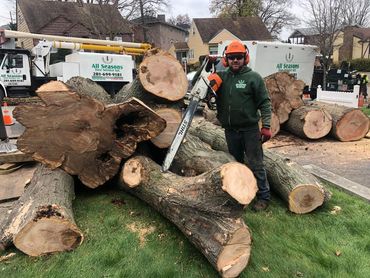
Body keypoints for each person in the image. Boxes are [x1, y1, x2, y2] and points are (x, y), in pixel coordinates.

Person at [208, 40, 272, 211]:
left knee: (256, 163)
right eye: (231, 58)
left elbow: (265, 103)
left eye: (238, 57)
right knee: (235, 164)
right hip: (231, 130)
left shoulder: (253, 78)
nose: (235, 61)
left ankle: (263, 197)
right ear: (226, 60)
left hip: (249, 129)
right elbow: (207, 89)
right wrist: (209, 72)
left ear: (245, 58)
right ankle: (239, 194)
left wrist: (266, 125)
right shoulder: (222, 76)